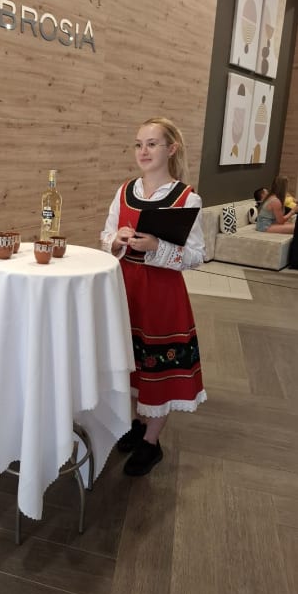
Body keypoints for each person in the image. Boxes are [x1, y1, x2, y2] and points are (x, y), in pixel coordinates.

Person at [101, 117, 206, 476]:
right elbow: (106, 234)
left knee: (158, 366)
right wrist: (116, 240)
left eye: (151, 144)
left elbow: (196, 255)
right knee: (129, 362)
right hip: (125, 288)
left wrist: (157, 246)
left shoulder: (187, 197)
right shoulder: (124, 191)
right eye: (138, 144)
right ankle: (136, 423)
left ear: (171, 149)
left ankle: (151, 441)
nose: (143, 151)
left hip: (162, 295)